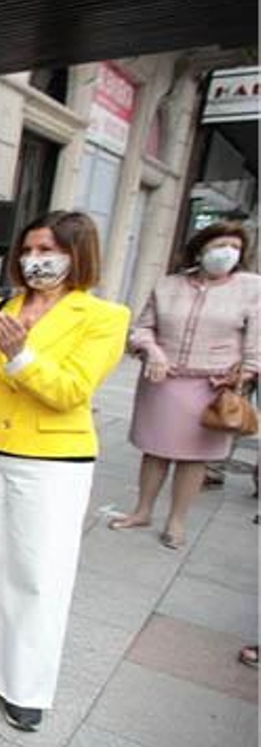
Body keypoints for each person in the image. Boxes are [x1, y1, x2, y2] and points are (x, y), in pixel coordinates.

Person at [0, 211, 129, 732]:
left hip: (50, 461)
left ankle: (23, 684)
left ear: (76, 253)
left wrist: (19, 357)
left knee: (36, 572)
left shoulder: (104, 317)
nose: (34, 260)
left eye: (47, 250)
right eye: (28, 250)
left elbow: (70, 391)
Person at [111, 221, 259, 549]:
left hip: (212, 386)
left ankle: (177, 521)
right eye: (220, 245)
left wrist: (246, 373)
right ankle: (142, 510)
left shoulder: (251, 288)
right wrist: (152, 351)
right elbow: (142, 328)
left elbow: (257, 338)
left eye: (235, 248)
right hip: (163, 380)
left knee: (195, 456)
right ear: (201, 248)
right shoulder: (168, 286)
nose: (227, 253)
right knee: (155, 449)